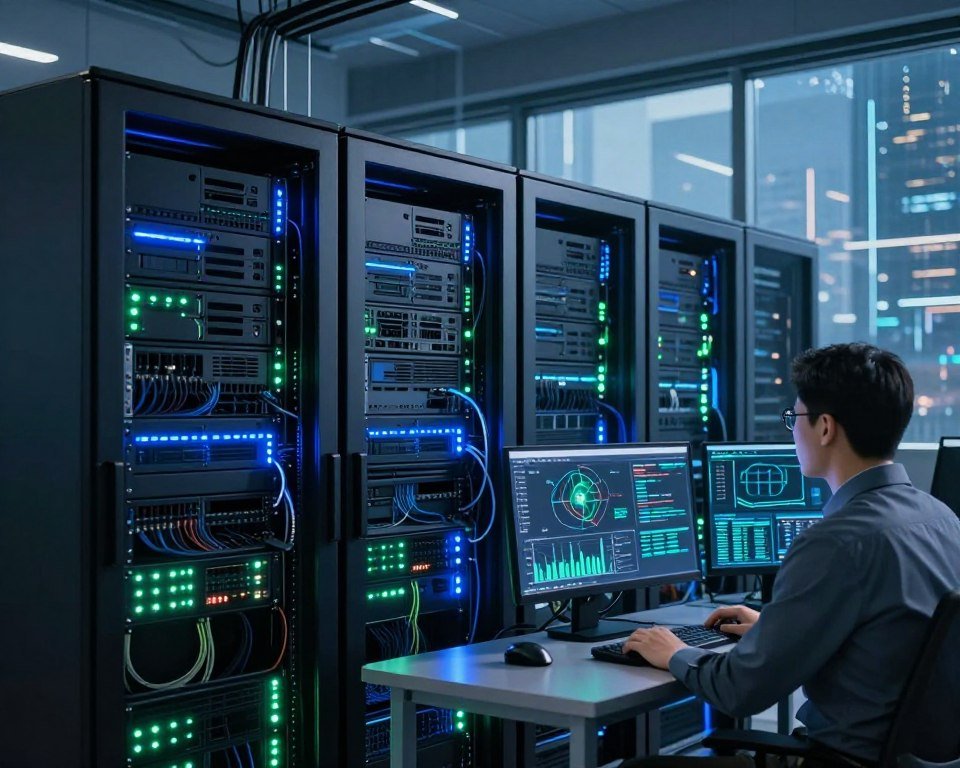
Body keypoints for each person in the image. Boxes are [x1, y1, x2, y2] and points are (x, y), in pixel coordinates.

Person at [623, 343, 960, 766]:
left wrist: (672, 651)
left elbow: (739, 691)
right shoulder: (943, 519)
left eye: (794, 418)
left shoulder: (835, 541)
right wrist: (776, 629)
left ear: (825, 428)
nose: (792, 430)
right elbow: (890, 640)